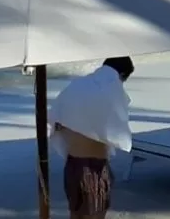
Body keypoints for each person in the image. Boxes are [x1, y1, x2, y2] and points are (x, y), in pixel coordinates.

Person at [50, 57, 134, 219]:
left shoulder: (76, 87)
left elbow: (56, 120)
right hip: (94, 167)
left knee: (75, 214)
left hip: (72, 165)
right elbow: (119, 133)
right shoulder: (111, 90)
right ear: (121, 75)